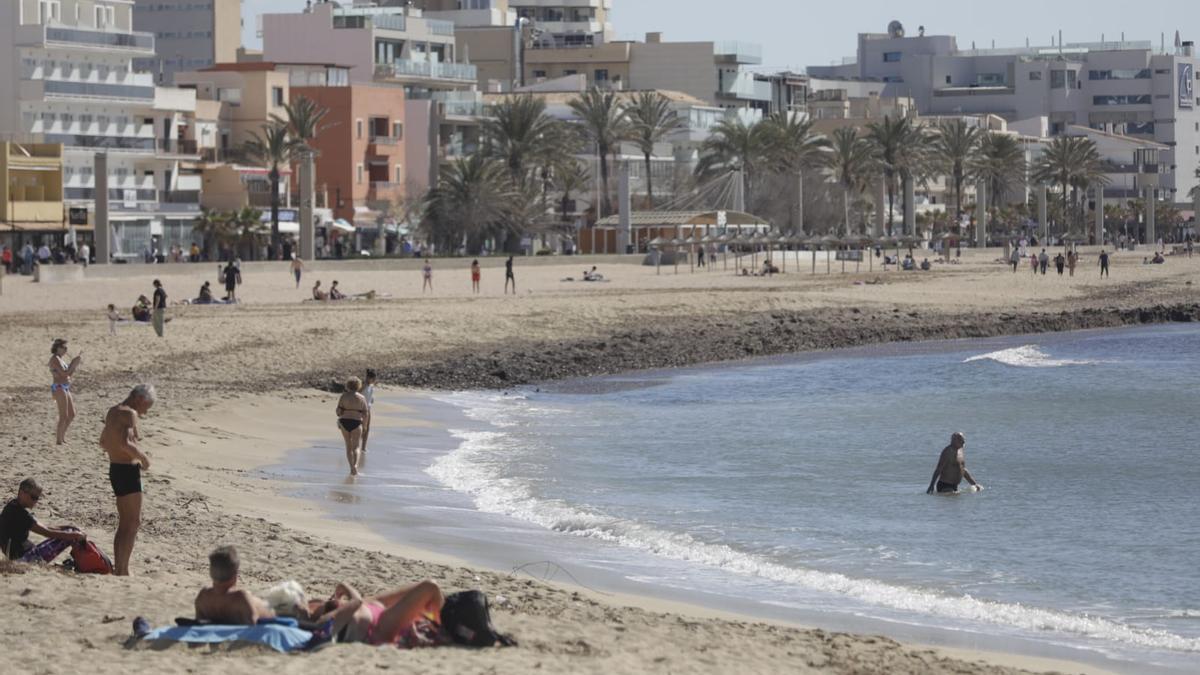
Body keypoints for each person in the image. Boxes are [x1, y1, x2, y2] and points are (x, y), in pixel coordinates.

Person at [100, 384, 155, 576]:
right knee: (133, 523)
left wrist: (117, 451)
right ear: (139, 399)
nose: (146, 412)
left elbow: (103, 441)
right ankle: (123, 569)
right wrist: (144, 459)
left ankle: (119, 567)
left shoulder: (113, 411)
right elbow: (125, 443)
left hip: (115, 469)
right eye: (147, 406)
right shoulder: (130, 413)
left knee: (124, 523)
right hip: (128, 470)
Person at [312, 580, 445, 648]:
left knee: (431, 585)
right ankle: (444, 627)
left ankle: (440, 620)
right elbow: (356, 600)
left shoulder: (312, 607)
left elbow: (358, 602)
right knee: (430, 587)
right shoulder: (319, 622)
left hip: (372, 604)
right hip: (378, 626)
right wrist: (344, 586)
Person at [1, 478, 86, 563]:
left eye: (37, 498)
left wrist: (67, 527)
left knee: (69, 531)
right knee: (68, 538)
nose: (35, 501)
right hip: (23, 559)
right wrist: (76, 535)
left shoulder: (12, 506)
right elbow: (47, 533)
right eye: (33, 497)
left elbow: (44, 528)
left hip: (21, 554)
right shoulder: (20, 515)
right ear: (22, 493)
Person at [194, 545, 276, 625]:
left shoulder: (203, 597)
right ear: (235, 575)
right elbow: (252, 626)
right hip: (269, 610)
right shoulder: (240, 598)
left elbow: (199, 624)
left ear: (210, 574)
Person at [48, 338, 81, 445]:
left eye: (66, 348)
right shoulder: (55, 359)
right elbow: (64, 374)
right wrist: (73, 363)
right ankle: (59, 440)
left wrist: (74, 365)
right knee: (64, 415)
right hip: (58, 387)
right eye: (64, 347)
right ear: (57, 348)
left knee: (72, 414)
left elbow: (68, 375)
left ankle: (62, 437)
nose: (66, 350)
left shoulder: (60, 359)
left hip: (65, 386)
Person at [336, 377, 369, 476]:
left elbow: (338, 411)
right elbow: (365, 413)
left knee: (348, 446)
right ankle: (355, 466)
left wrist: (341, 413)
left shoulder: (343, 396)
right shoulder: (361, 398)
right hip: (356, 422)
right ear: (358, 386)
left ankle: (351, 467)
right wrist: (365, 426)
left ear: (348, 385)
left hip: (344, 421)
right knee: (356, 447)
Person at [361, 369, 377, 454]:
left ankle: (363, 447)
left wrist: (371, 400)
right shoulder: (363, 385)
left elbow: (370, 397)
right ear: (368, 377)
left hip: (368, 409)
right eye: (373, 378)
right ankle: (355, 444)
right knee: (359, 428)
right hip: (360, 409)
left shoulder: (371, 386)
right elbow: (357, 393)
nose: (374, 380)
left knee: (366, 428)